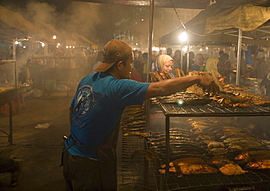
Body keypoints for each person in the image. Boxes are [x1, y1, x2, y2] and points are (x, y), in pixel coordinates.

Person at [62, 39, 218, 191]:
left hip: (71, 152)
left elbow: (72, 111)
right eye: (130, 63)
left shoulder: (87, 79)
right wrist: (197, 79)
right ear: (119, 64)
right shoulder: (117, 86)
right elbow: (159, 89)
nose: (131, 68)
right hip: (91, 162)